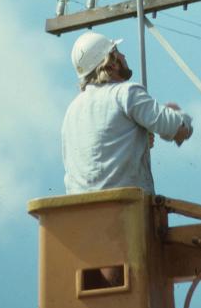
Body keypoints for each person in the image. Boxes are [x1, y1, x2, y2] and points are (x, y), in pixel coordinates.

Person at [62, 31, 193, 195]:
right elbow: (179, 130)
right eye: (117, 51)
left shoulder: (72, 111)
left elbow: (97, 156)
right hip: (124, 208)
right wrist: (179, 116)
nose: (123, 55)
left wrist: (137, 143)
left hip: (78, 212)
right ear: (112, 63)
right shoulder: (126, 93)